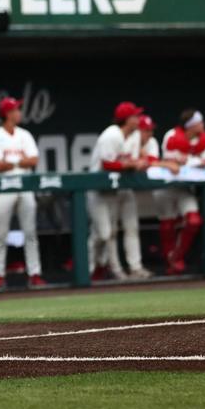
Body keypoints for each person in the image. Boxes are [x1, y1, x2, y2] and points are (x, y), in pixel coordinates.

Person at [0, 97, 45, 289]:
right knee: (1, 234)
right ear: (8, 113)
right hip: (4, 188)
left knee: (30, 232)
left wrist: (11, 162)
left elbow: (34, 160)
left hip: (25, 186)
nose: (19, 112)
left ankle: (34, 273)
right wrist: (20, 161)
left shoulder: (24, 135)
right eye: (16, 109)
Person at [89, 102, 148, 280]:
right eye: (135, 116)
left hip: (113, 189)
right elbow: (107, 164)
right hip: (97, 189)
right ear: (127, 119)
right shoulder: (111, 135)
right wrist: (130, 164)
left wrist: (137, 162)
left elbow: (132, 160)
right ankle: (89, 268)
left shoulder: (131, 136)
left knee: (109, 232)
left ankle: (107, 268)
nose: (138, 119)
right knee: (102, 233)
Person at [155, 109, 205, 275]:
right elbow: (171, 163)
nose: (202, 125)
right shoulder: (172, 136)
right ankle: (170, 263)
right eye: (199, 122)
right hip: (165, 187)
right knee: (167, 225)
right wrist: (191, 161)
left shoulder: (203, 139)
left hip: (184, 188)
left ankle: (176, 257)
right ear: (191, 125)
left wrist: (188, 161)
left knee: (194, 221)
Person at [117, 114, 161, 279]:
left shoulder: (152, 142)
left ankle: (135, 268)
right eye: (145, 130)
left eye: (151, 130)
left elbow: (152, 164)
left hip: (127, 189)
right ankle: (106, 268)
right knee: (107, 232)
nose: (149, 134)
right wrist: (140, 159)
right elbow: (124, 161)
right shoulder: (127, 139)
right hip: (110, 189)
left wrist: (143, 158)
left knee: (132, 227)